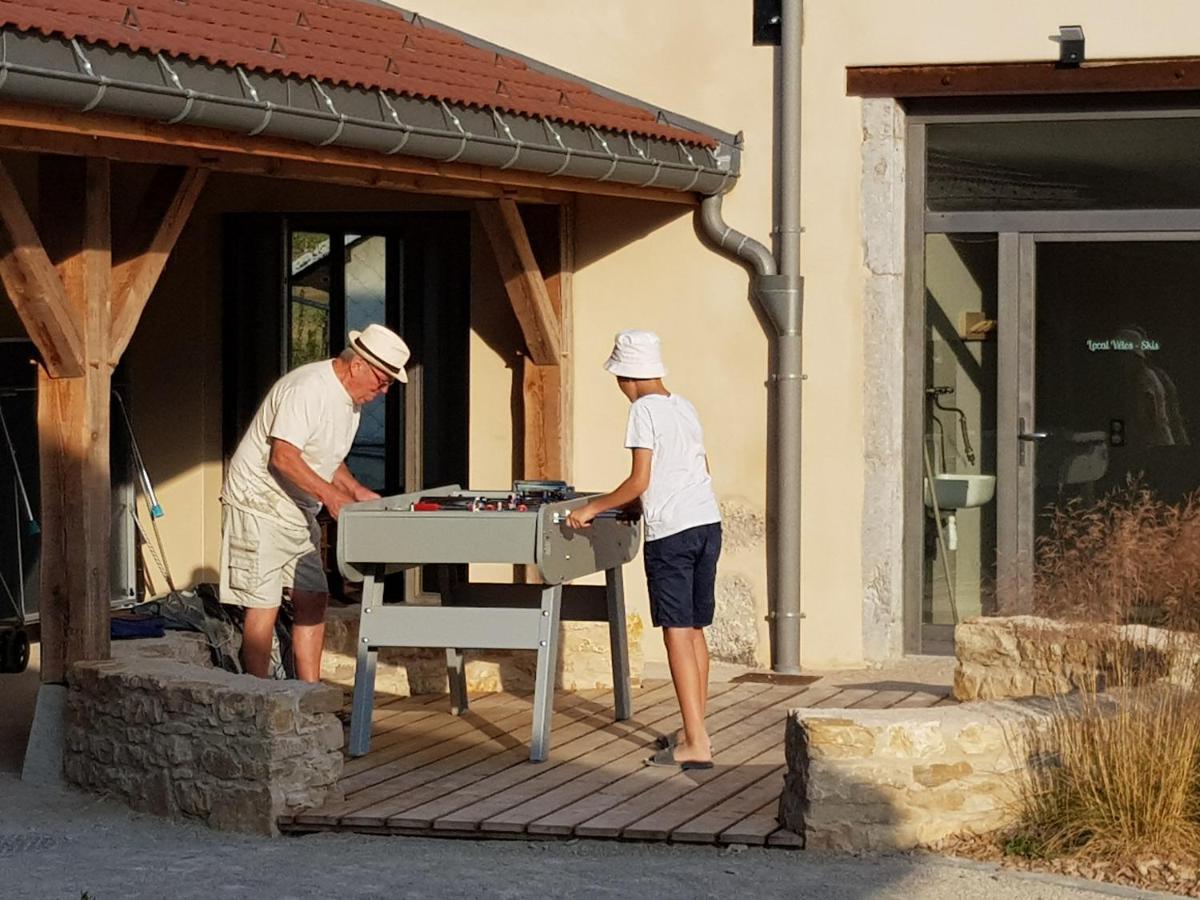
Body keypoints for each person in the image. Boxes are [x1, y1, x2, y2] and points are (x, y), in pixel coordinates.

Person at [566, 330, 722, 770]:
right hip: (707, 523)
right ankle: (697, 730)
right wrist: (639, 504)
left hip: (672, 534)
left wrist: (592, 509)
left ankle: (695, 744)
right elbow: (697, 468)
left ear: (625, 376)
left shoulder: (642, 410)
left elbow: (640, 479)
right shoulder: (684, 406)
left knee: (675, 630)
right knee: (694, 630)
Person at [220, 323, 409, 681]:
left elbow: (327, 456)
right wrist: (331, 497)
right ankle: (260, 700)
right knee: (264, 605)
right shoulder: (308, 388)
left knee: (313, 598)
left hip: (295, 508)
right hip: (257, 503)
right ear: (358, 366)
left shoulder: (350, 403)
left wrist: (355, 491)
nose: (383, 391)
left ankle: (310, 693)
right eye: (382, 381)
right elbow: (283, 457)